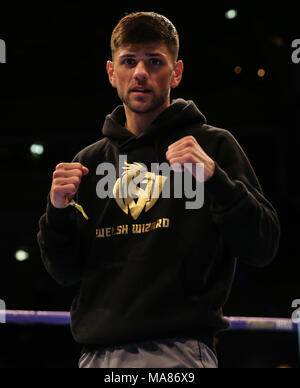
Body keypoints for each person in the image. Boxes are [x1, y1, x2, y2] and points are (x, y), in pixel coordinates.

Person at [37, 12, 280, 368]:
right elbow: (64, 272)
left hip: (177, 352)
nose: (140, 73)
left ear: (176, 72)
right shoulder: (88, 162)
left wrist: (216, 179)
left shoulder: (212, 145)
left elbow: (263, 246)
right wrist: (56, 212)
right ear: (111, 72)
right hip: (96, 356)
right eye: (129, 61)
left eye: (154, 62)